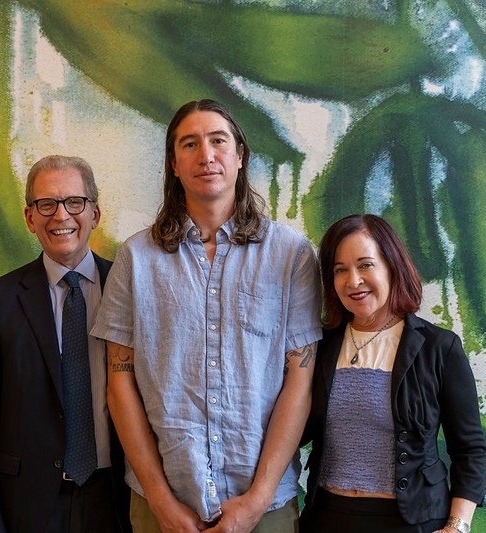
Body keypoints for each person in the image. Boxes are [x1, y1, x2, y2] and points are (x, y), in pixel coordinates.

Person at [91, 99, 322, 532]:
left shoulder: (291, 255)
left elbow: (299, 383)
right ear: (174, 164)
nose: (206, 155)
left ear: (240, 156)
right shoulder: (135, 258)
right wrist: (160, 501)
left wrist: (256, 501)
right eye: (190, 144)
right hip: (162, 504)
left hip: (266, 506)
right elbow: (119, 383)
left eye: (218, 141)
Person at [0, 155, 131, 532]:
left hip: (119, 502)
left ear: (95, 213)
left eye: (74, 202)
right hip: (28, 506)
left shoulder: (130, 289)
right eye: (46, 204)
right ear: (29, 217)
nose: (61, 216)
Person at [300, 214, 486, 533]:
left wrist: (457, 525)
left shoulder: (439, 347)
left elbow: (469, 449)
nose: (353, 281)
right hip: (327, 517)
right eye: (340, 270)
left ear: (392, 266)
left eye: (366, 265)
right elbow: (295, 429)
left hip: (412, 521)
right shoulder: (319, 346)